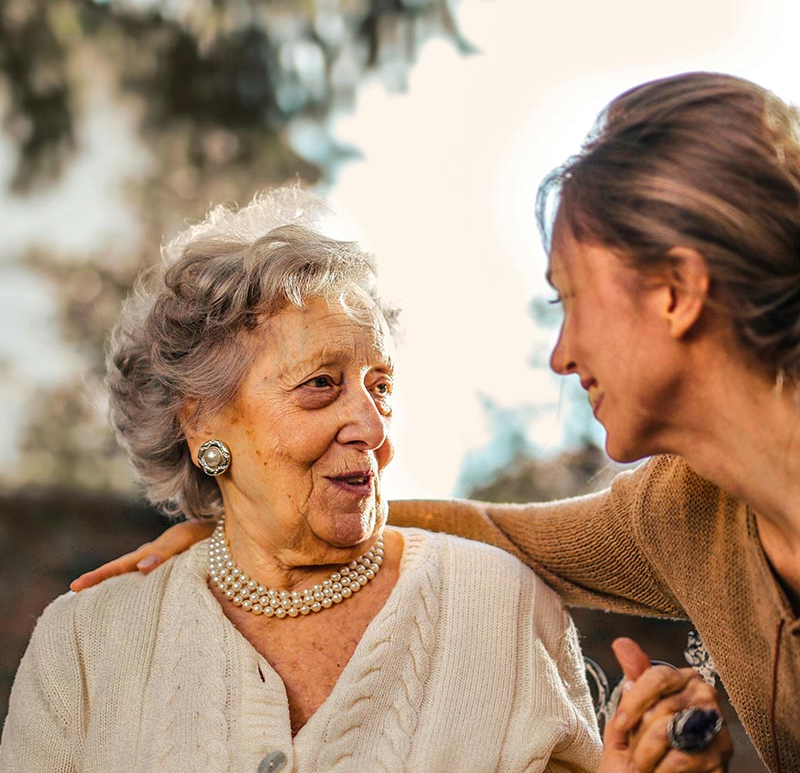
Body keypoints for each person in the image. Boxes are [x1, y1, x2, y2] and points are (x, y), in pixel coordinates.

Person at [79, 71, 800, 773]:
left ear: (676, 292)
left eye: (569, 300)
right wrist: (249, 521)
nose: (561, 354)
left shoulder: (644, 539)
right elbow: (499, 533)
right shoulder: (685, 516)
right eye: (321, 386)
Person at [3, 187, 725, 773]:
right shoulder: (88, 643)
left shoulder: (497, 605)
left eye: (379, 386)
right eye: (321, 384)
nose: (372, 427)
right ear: (202, 425)